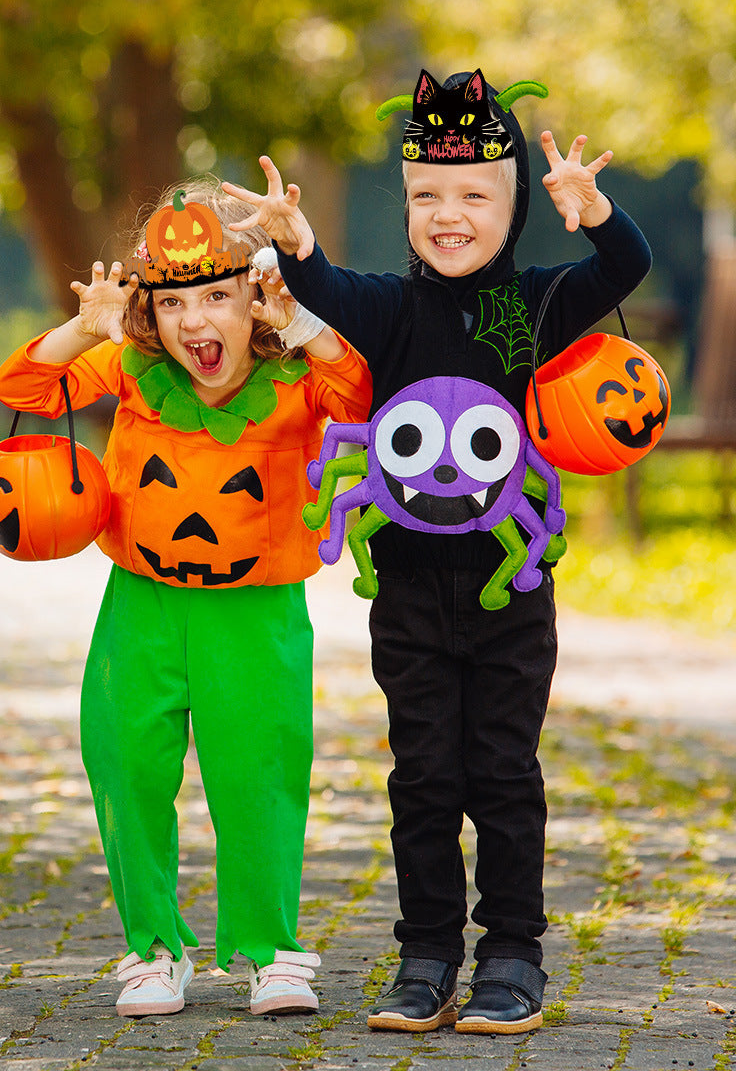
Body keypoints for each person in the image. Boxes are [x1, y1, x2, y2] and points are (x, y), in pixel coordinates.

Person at [223, 69, 652, 1035]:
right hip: (409, 590)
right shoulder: (386, 310)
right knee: (422, 775)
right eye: (426, 195)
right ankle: (425, 954)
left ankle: (512, 953)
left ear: (510, 208)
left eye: (473, 196)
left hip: (512, 589)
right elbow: (321, 288)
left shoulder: (537, 306)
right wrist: (295, 245)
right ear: (406, 204)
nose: (447, 215)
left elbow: (625, 268)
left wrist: (594, 212)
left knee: (503, 770)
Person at [0, 181, 372, 1017]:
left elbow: (360, 396)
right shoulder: (132, 368)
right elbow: (23, 388)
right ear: (149, 314)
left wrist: (305, 323)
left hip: (257, 610)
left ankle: (268, 948)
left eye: (217, 297)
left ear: (254, 300)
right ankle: (152, 947)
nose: (196, 322)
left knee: (260, 773)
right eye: (173, 304)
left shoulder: (295, 375)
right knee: (127, 764)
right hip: (144, 604)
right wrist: (81, 328)